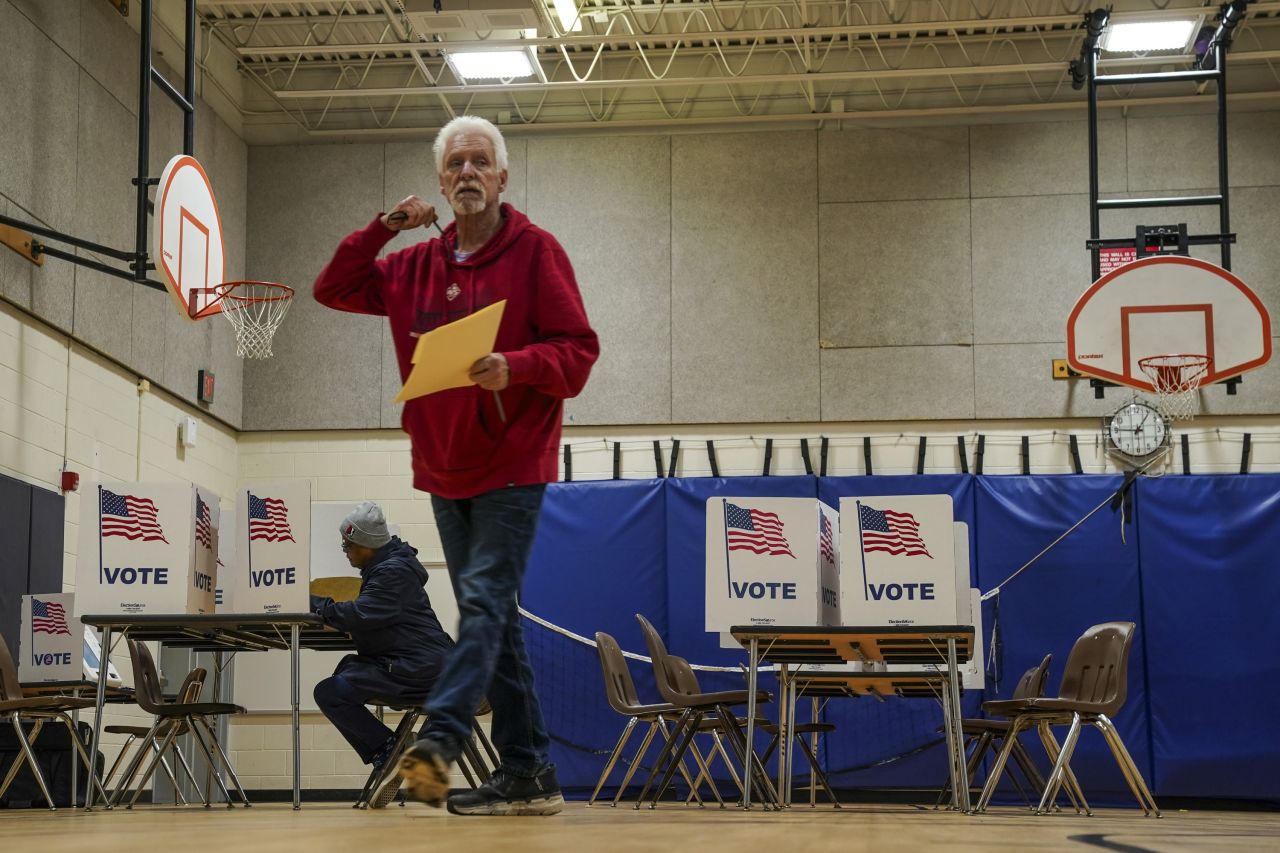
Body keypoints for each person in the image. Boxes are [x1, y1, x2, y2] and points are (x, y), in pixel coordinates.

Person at [313, 115, 599, 816]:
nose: (467, 173)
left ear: (502, 177)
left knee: (482, 606)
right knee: (492, 616)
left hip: (513, 460)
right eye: (455, 165)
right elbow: (333, 287)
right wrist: (385, 226)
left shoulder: (537, 253)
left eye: (480, 162)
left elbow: (578, 353)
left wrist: (518, 365)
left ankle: (435, 748)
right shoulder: (413, 266)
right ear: (441, 182)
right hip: (445, 468)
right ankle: (530, 772)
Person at [310, 501, 454, 809]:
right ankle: (390, 751)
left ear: (367, 545)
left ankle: (389, 751)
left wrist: (316, 605)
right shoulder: (387, 568)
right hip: (419, 665)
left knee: (331, 691)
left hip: (421, 670)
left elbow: (361, 615)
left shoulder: (392, 573)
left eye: (349, 544)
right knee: (339, 681)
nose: (345, 549)